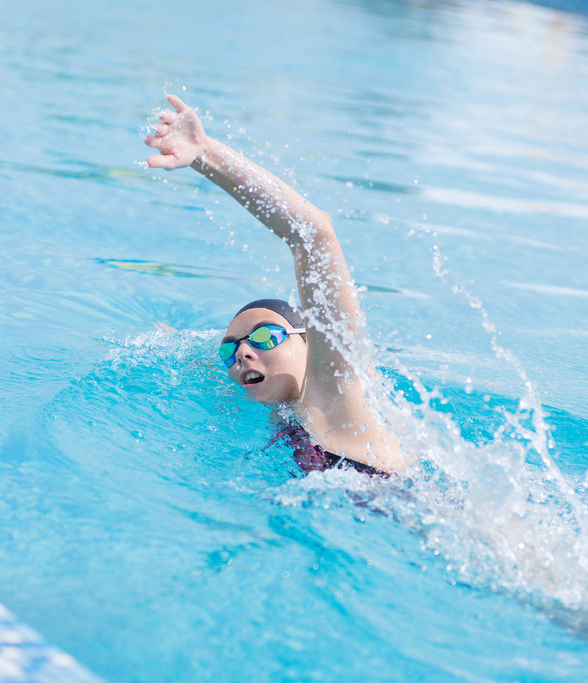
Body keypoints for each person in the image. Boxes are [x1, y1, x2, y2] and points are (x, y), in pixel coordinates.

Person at [145, 94, 404, 477]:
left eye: (266, 336)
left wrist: (205, 154)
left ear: (311, 344)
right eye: (231, 350)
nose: (243, 353)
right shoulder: (295, 411)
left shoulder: (338, 393)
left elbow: (314, 235)